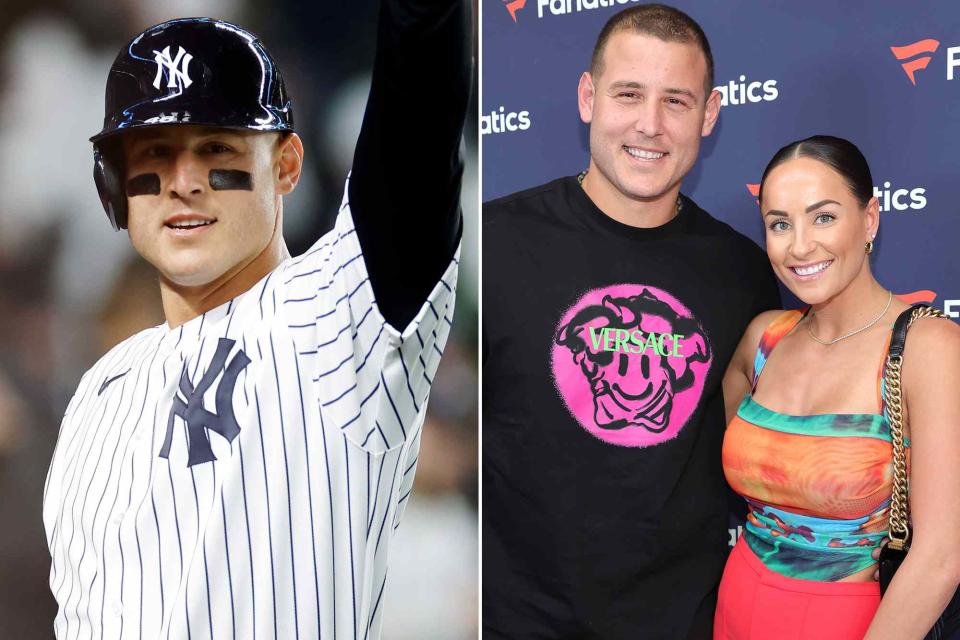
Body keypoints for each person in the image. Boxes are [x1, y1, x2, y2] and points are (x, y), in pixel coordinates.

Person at [41, 1, 470, 637]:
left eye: (216, 146)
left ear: (287, 165)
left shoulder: (337, 313)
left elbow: (419, 98)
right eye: (154, 153)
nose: (183, 182)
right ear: (114, 185)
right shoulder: (98, 392)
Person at [482, 4, 780, 638]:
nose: (650, 125)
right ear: (589, 97)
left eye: (676, 101)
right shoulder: (492, 242)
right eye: (628, 94)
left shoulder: (744, 273)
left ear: (710, 114)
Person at [717, 135, 960, 639]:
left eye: (823, 216)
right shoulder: (765, 338)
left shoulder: (928, 345)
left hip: (856, 621)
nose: (800, 245)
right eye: (780, 224)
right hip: (736, 603)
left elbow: (942, 557)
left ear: (869, 218)